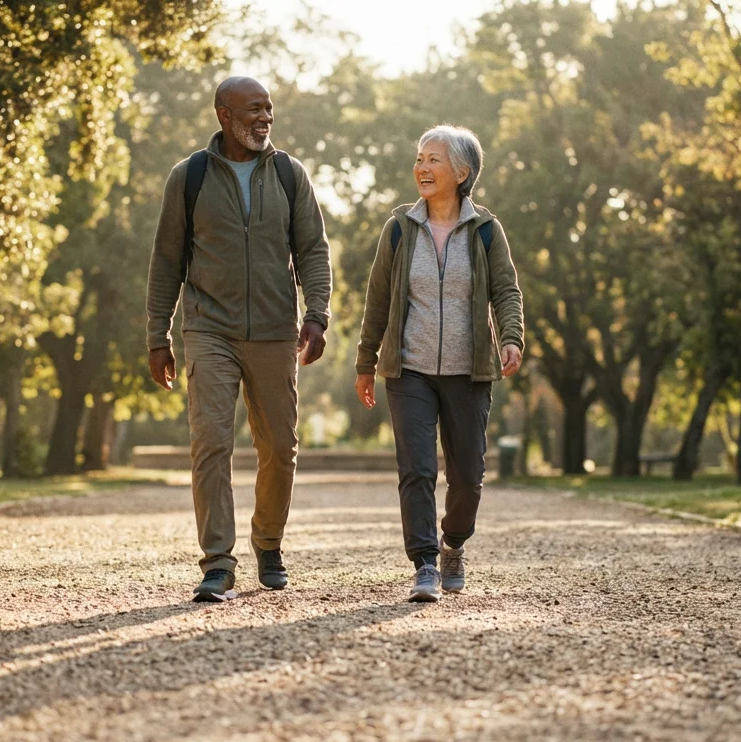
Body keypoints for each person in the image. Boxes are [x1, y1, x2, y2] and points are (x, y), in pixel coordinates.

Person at [145, 76, 332, 602]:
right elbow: (166, 261)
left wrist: (316, 315)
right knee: (211, 442)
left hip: (275, 331)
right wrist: (157, 335)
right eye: (253, 109)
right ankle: (218, 563)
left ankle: (267, 543)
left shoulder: (290, 175)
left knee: (279, 446)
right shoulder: (190, 177)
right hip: (209, 328)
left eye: (269, 109)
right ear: (224, 115)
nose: (264, 118)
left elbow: (314, 251)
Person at [354, 125, 524, 603]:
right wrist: (366, 363)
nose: (422, 168)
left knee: (468, 474)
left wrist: (511, 337)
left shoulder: (487, 231)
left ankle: (454, 544)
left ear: (462, 172)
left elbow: (507, 291)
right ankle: (425, 563)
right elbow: (378, 299)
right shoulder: (399, 229)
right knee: (417, 469)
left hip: (469, 372)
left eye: (434, 160)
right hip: (408, 370)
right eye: (420, 158)